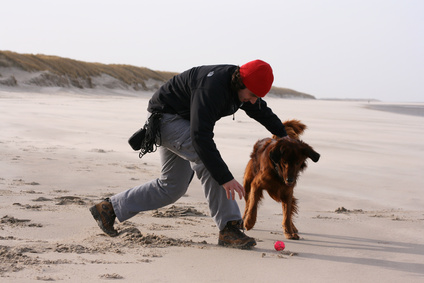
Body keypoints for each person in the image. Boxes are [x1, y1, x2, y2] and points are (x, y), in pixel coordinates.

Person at [90, 59, 288, 249]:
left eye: (257, 96)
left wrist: (283, 135)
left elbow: (260, 110)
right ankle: (229, 228)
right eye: (252, 94)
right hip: (166, 119)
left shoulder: (242, 86)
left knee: (171, 187)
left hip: (182, 122)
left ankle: (109, 209)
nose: (253, 100)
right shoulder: (212, 88)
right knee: (209, 162)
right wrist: (225, 178)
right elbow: (200, 137)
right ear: (240, 82)